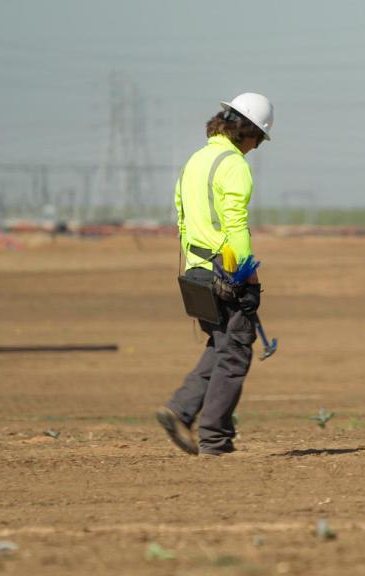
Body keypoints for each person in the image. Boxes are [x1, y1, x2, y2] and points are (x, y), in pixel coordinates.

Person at [156, 92, 273, 457]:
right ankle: (215, 438)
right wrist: (245, 270)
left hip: (196, 269)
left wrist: (197, 263)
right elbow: (235, 222)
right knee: (236, 352)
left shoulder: (196, 160)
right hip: (226, 271)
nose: (257, 147)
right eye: (258, 139)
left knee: (222, 344)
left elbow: (180, 212)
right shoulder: (234, 164)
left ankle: (180, 410)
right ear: (247, 131)